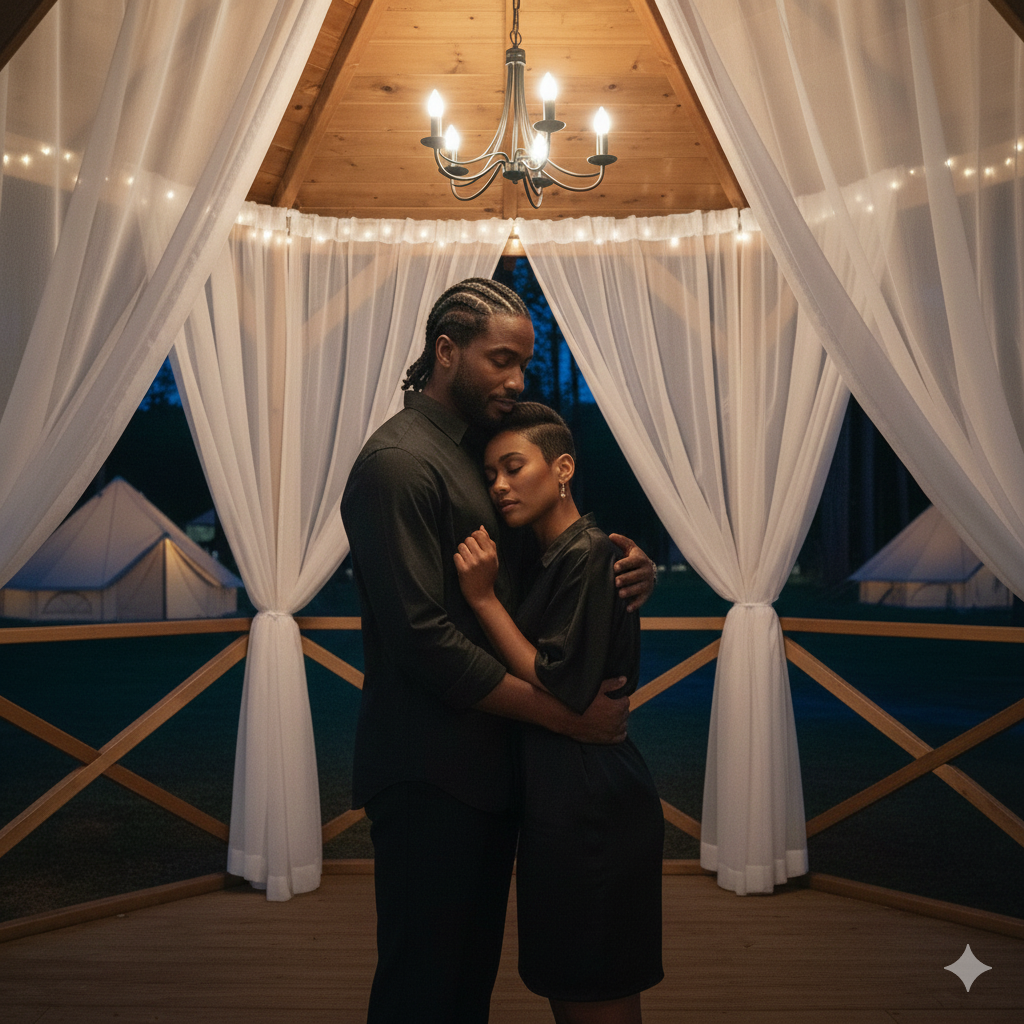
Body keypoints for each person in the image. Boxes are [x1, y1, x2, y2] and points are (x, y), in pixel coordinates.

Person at [340, 278, 657, 1024]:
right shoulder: (398, 464)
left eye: (524, 364)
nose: (518, 382)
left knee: (463, 985)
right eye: (502, 360)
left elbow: (542, 568)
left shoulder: (477, 453)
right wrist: (565, 717)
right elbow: (424, 639)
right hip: (429, 775)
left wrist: (624, 570)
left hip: (488, 770)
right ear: (447, 352)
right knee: (426, 987)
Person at [455, 402, 663, 1024]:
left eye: (513, 467)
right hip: (563, 797)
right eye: (490, 474)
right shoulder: (548, 557)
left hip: (593, 804)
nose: (499, 485)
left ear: (563, 467)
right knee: (571, 982)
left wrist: (483, 600)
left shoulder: (592, 554)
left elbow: (560, 683)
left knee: (595, 985)